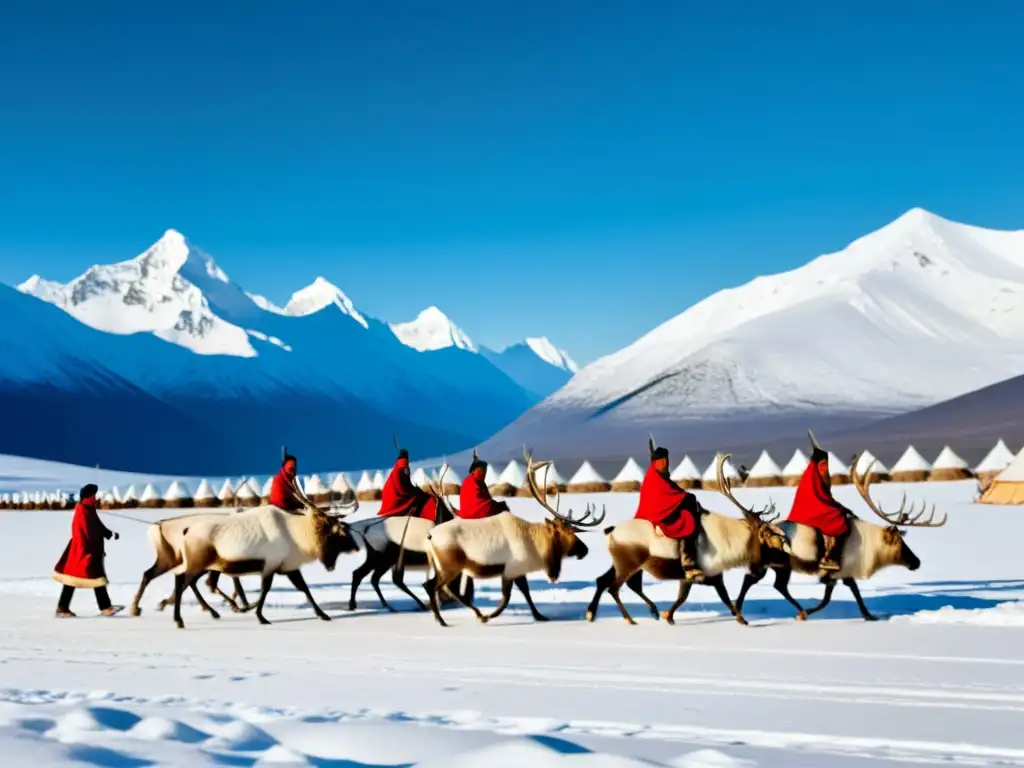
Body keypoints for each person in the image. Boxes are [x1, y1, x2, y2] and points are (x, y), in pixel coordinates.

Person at [635, 441, 704, 581]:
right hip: (659, 517)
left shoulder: (655, 474)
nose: (667, 465)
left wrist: (685, 496)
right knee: (688, 523)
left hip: (659, 512)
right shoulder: (655, 478)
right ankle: (688, 562)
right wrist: (686, 497)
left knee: (689, 502)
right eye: (665, 462)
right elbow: (666, 495)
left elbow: (672, 490)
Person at [53, 484, 123, 617]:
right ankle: (105, 607)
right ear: (88, 497)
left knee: (78, 579)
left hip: (86, 550)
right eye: (93, 496)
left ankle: (63, 608)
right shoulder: (82, 510)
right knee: (89, 578)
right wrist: (88, 550)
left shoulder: (89, 509)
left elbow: (98, 526)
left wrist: (109, 534)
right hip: (83, 550)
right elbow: (85, 532)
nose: (95, 499)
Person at [786, 433, 852, 572]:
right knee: (840, 523)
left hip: (806, 509)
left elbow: (822, 495)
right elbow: (821, 497)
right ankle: (830, 558)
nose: (825, 467)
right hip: (811, 512)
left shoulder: (810, 474)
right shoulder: (817, 473)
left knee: (840, 512)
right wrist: (838, 509)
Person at [378, 448, 438, 522]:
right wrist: (417, 492)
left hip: (400, 496)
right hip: (395, 502)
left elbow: (406, 484)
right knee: (425, 500)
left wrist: (416, 490)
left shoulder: (400, 469)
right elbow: (402, 487)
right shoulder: (401, 469)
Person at [458, 453, 509, 520]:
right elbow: (481, 499)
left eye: (484, 470)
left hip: (465, 513)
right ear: (474, 470)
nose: (483, 472)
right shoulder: (475, 480)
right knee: (502, 506)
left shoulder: (468, 480)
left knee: (498, 505)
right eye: (481, 470)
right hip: (476, 510)